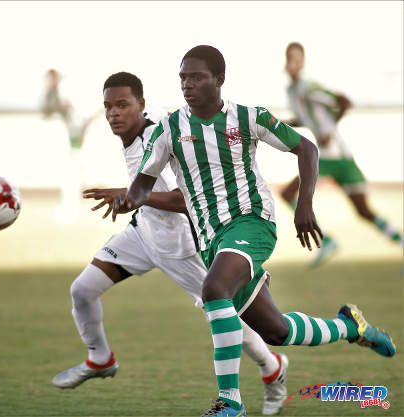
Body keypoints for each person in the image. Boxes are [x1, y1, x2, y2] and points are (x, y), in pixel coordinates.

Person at [111, 46, 395, 417]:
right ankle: (350, 327)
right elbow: (144, 183)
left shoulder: (248, 117)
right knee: (276, 331)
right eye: (183, 78)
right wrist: (129, 198)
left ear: (219, 80)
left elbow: (306, 148)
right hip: (213, 239)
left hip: (252, 223)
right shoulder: (169, 129)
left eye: (196, 77)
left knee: (214, 290)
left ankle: (230, 402)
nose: (188, 85)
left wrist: (305, 204)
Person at [52, 72, 290, 415]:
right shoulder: (132, 139)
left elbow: (185, 199)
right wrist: (132, 201)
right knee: (82, 290)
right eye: (108, 107)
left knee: (225, 316)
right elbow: (145, 194)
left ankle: (272, 366)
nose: (113, 113)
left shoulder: (157, 136)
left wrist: (131, 195)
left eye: (122, 105)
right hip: (144, 235)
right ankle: (101, 359)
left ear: (141, 105)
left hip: (182, 246)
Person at [281, 42, 403, 267]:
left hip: (334, 155)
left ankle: (327, 242)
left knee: (361, 211)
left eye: (297, 59)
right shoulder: (292, 91)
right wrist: (277, 125)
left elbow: (344, 102)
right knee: (364, 212)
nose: (293, 64)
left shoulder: (309, 87)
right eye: (290, 59)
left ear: (303, 62)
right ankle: (328, 241)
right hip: (330, 158)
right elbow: (306, 119)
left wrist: (329, 130)